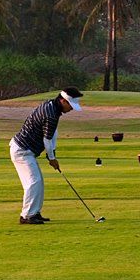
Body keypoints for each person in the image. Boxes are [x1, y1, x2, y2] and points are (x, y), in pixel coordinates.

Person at [10, 87, 83, 224]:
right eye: (70, 105)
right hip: (22, 150)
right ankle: (26, 216)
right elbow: (47, 139)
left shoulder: (51, 107)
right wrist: (52, 158)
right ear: (62, 101)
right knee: (33, 182)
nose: (71, 109)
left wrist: (52, 155)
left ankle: (34, 212)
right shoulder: (51, 114)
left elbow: (52, 134)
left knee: (38, 182)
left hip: (25, 150)